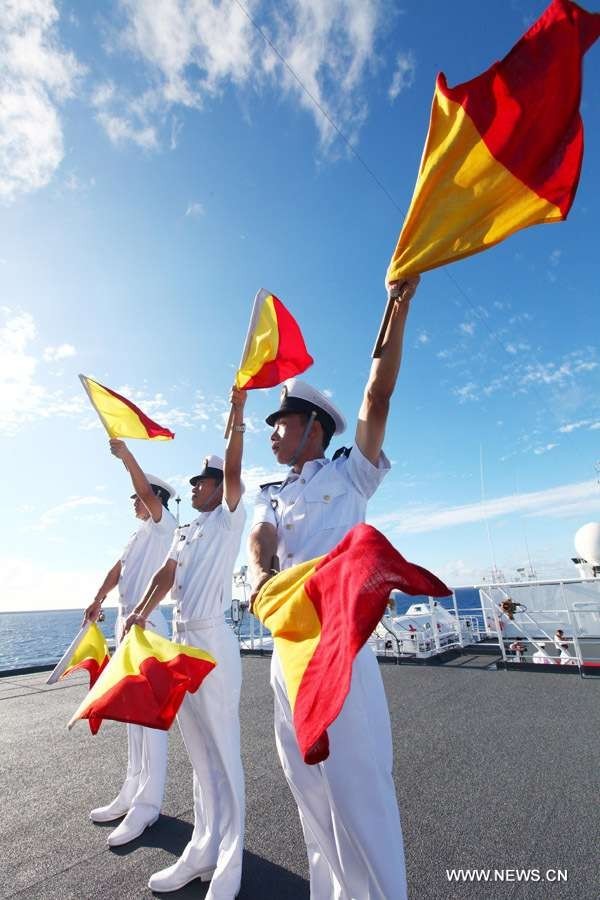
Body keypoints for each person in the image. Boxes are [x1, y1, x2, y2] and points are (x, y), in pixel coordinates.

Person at [248, 276, 419, 900]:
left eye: (282, 421)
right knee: (308, 792)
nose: (271, 431)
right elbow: (260, 539)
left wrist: (397, 305)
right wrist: (265, 571)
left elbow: (378, 395)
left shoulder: (350, 477)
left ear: (314, 428)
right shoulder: (272, 494)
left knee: (360, 791)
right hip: (287, 652)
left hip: (340, 650)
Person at [124, 387, 247, 899]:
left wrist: (237, 418)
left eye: (203, 481)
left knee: (223, 753)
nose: (195, 487)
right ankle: (202, 848)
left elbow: (237, 472)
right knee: (199, 755)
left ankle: (231, 859)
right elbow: (163, 576)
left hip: (213, 643)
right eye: (195, 481)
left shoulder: (228, 518)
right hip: (179, 644)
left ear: (220, 487)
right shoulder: (189, 530)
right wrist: (138, 613)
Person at [83, 439, 177, 847]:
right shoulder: (138, 535)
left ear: (154, 498)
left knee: (150, 723)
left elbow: (141, 490)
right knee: (132, 721)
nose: (133, 504)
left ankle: (148, 806)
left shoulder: (163, 526)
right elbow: (117, 570)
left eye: (138, 498)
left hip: (149, 627)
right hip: (126, 626)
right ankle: (130, 792)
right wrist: (99, 598)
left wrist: (126, 457)